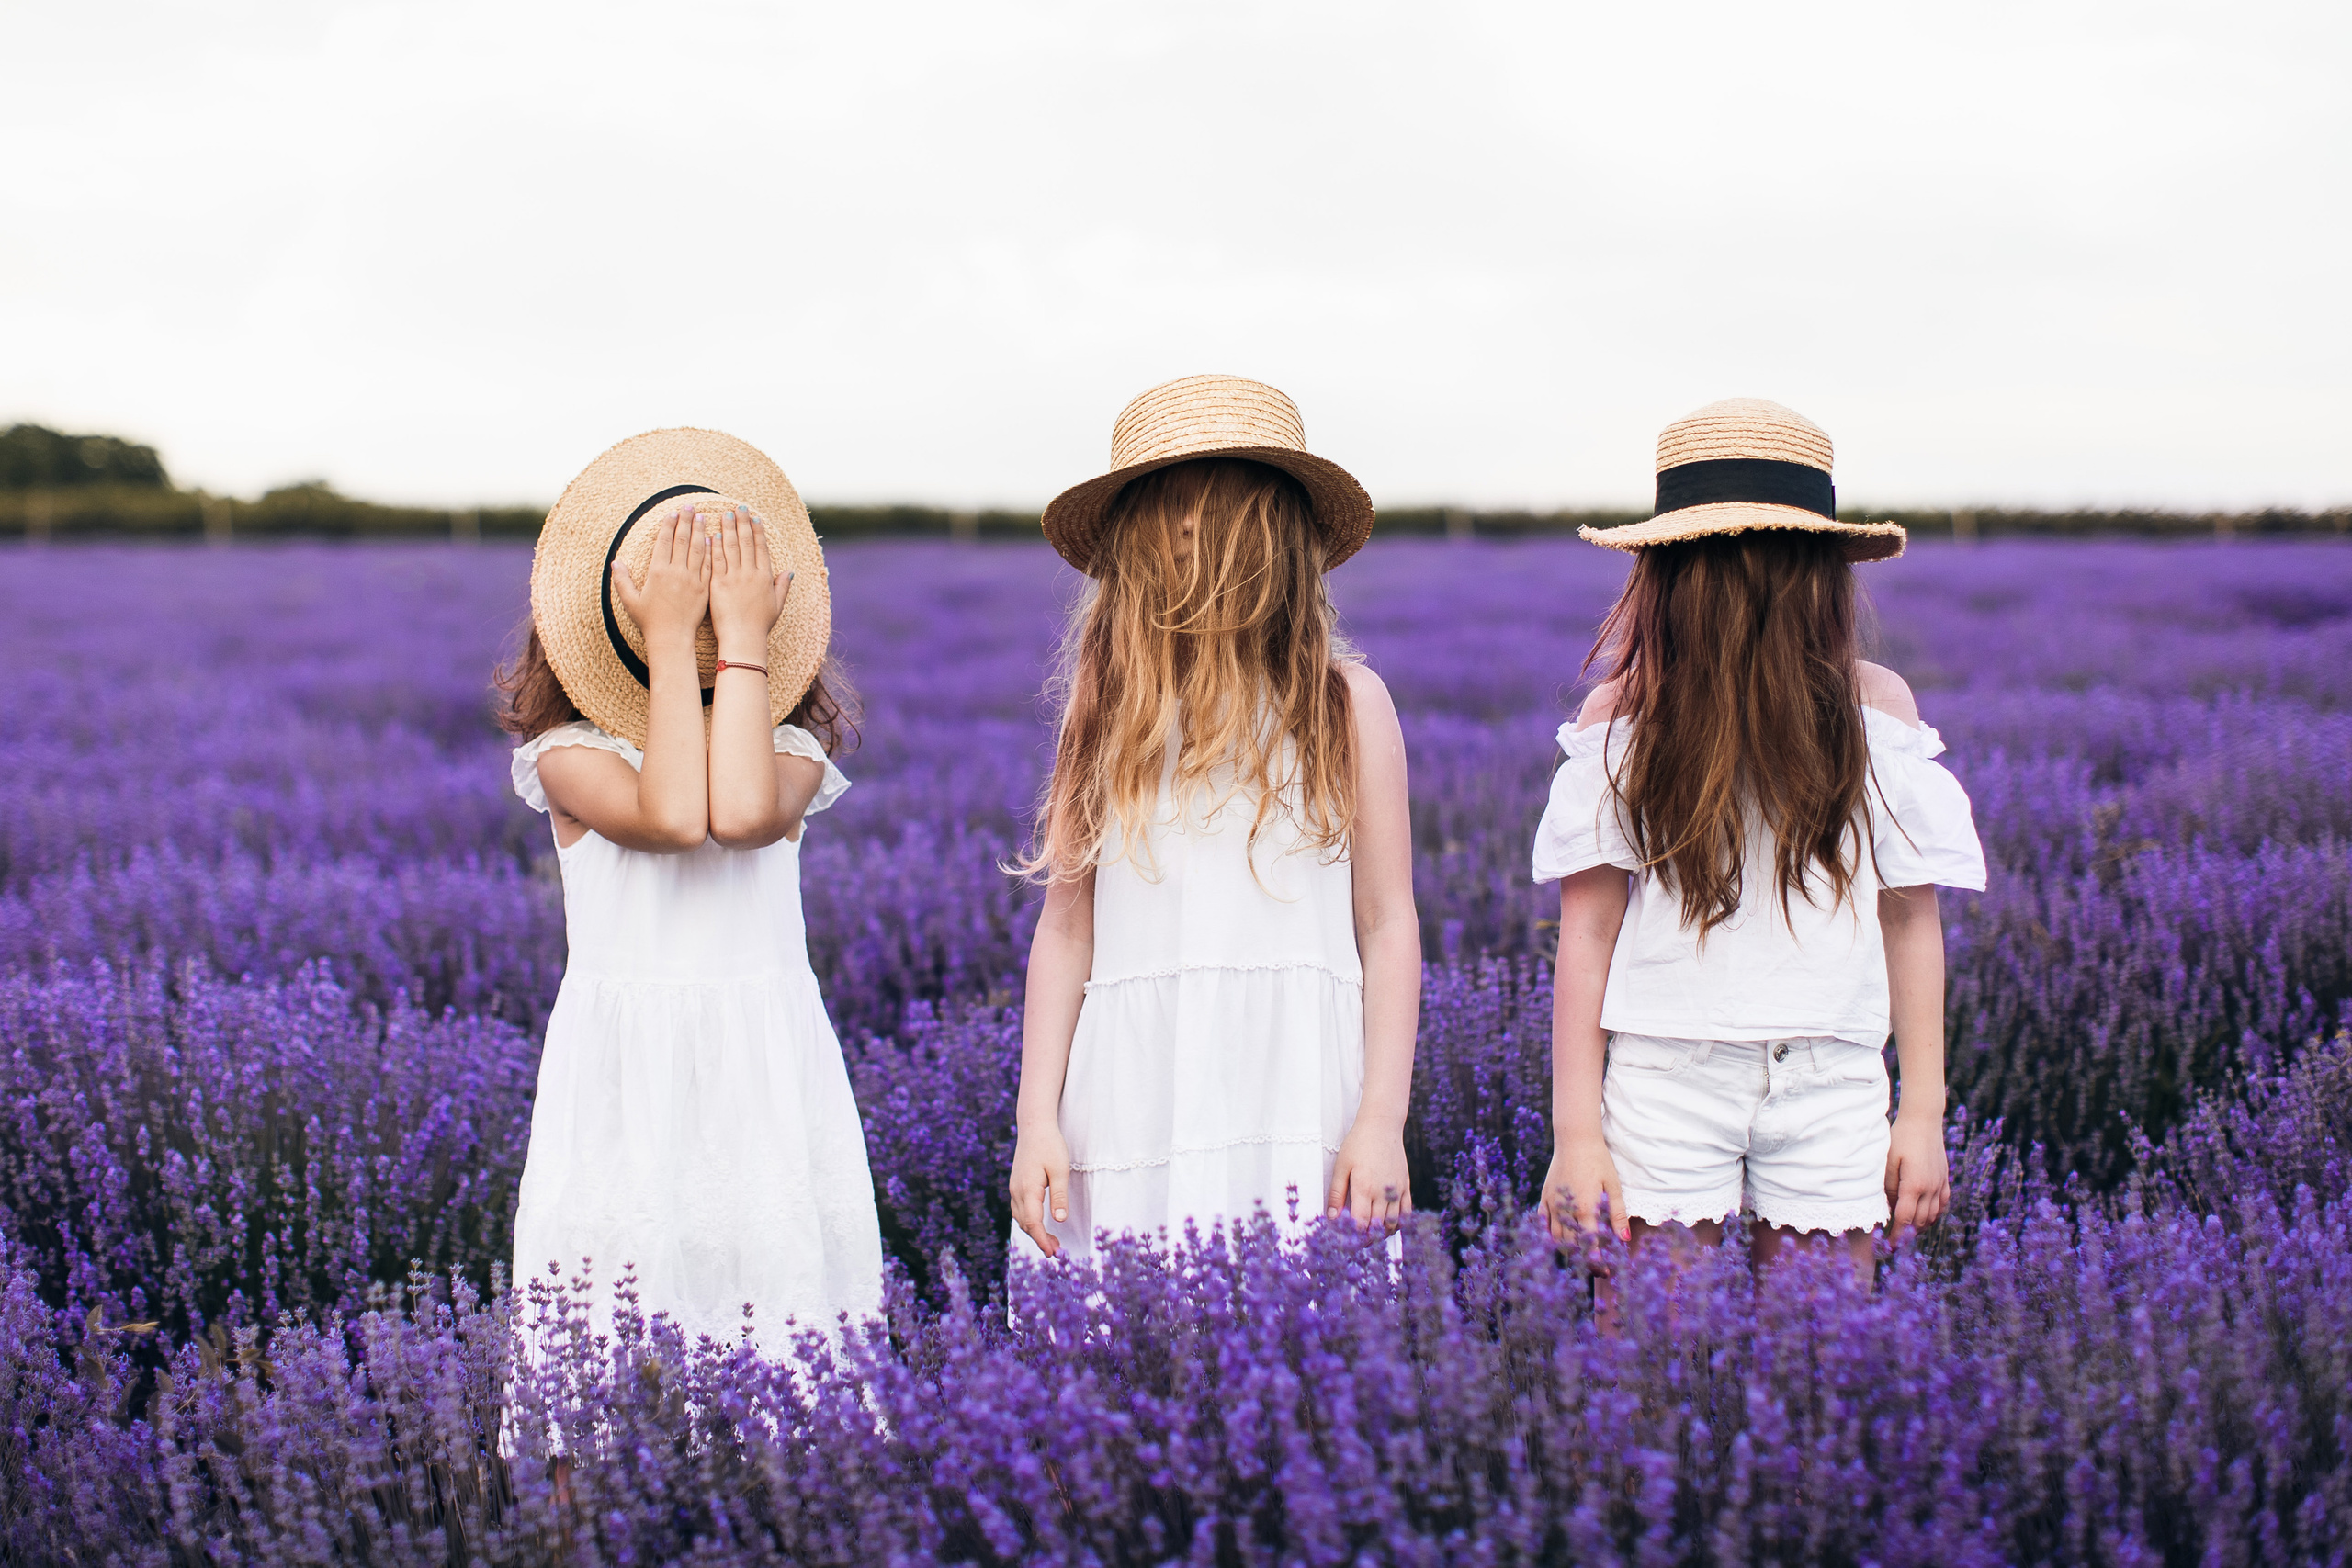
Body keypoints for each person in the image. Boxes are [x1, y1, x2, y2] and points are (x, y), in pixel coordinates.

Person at [1535, 398, 1987, 1278]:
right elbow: (1586, 933)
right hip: (1666, 1070)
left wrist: (1923, 1110)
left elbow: (1907, 916)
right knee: (1652, 1375)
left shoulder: (1872, 712)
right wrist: (1576, 1135)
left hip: (1832, 1075)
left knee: (1820, 1374)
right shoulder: (1624, 720)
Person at [1007, 375, 1420, 1264]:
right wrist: (1036, 1120)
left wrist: (1381, 1120)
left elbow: (1388, 926)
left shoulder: (1345, 705)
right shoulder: (1108, 706)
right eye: (1173, 514)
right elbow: (1067, 928)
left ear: (1274, 541)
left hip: (1296, 1092)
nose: (1194, 535)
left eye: (1219, 511)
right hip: (1128, 1097)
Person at [496, 428, 882, 1348]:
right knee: (601, 1317)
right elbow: (674, 821)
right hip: (626, 1081)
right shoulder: (569, 757)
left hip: (762, 1067)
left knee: (776, 1302)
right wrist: (676, 643)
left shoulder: (791, 751)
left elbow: (737, 815)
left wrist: (733, 640)